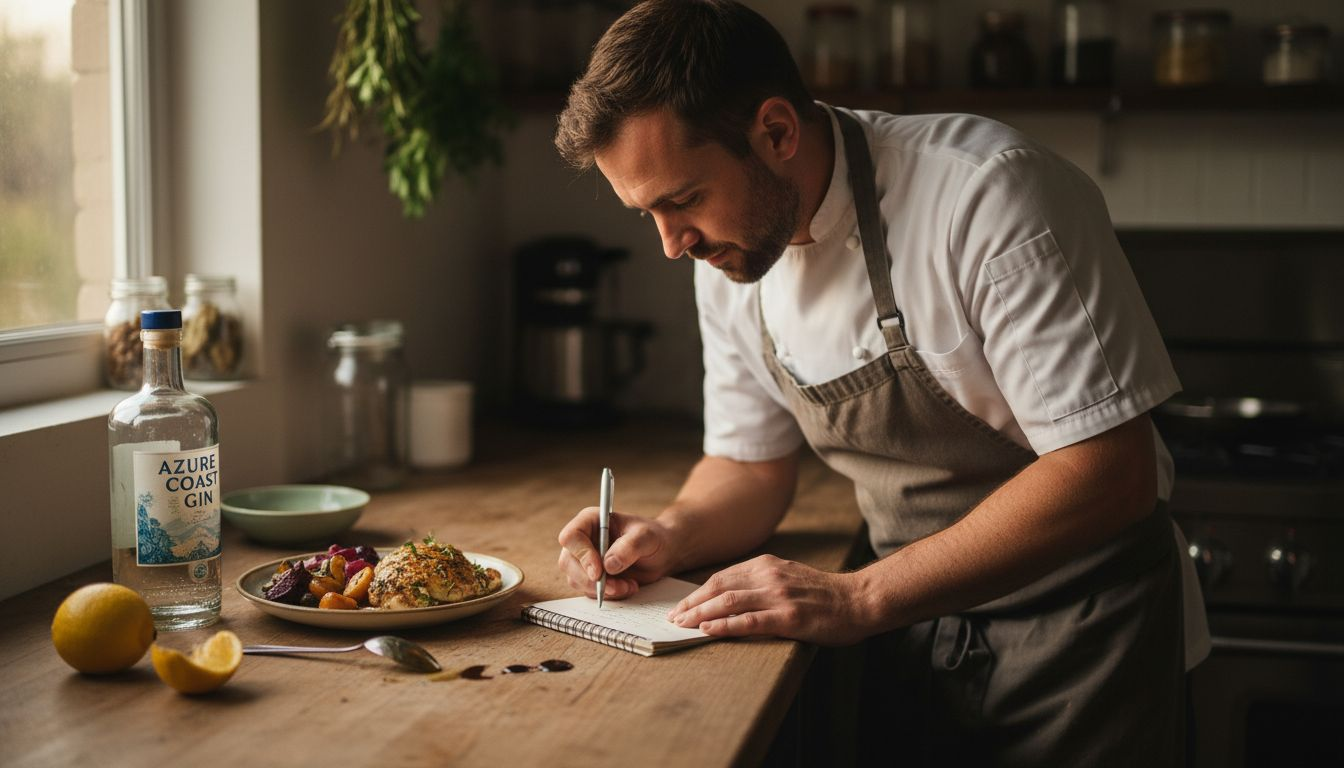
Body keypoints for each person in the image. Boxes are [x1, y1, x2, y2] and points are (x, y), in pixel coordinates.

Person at [552, 1, 1208, 763]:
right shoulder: (728, 255)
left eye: (683, 199)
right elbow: (749, 466)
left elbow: (1110, 471)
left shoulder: (987, 195)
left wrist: (860, 596)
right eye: (648, 214)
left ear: (776, 133)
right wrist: (671, 534)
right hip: (913, 638)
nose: (672, 244)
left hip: (1087, 644)